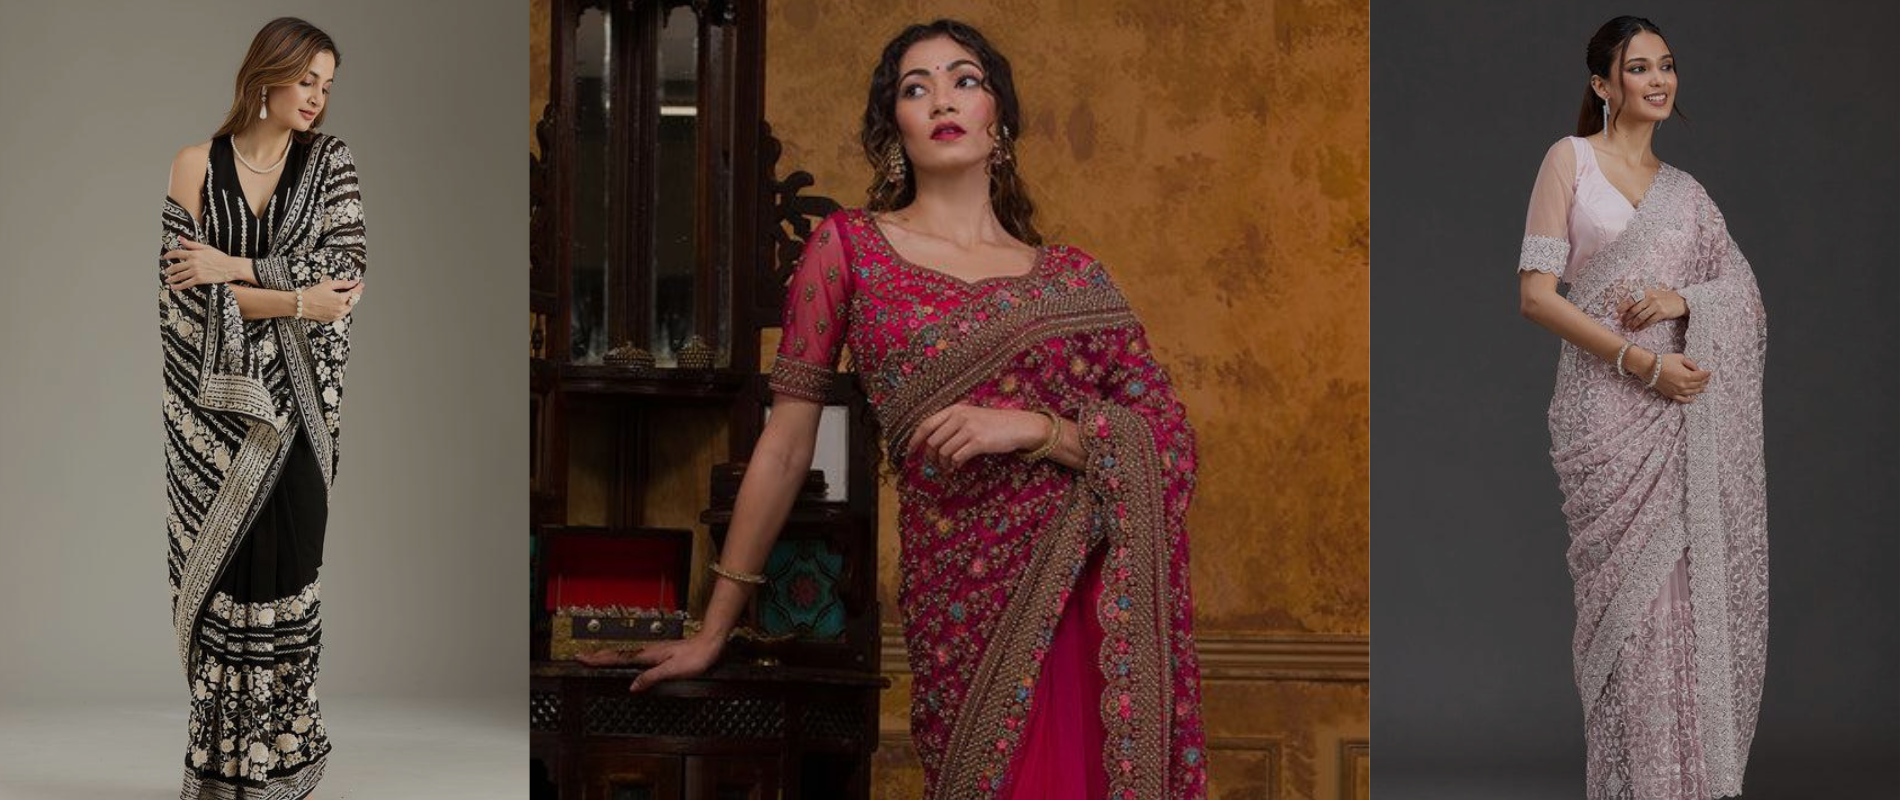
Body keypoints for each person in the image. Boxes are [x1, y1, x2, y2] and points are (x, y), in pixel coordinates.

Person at [580, 18, 1210, 799]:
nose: (942, 99)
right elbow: (786, 446)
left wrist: (1034, 430)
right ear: (895, 130)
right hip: (960, 605)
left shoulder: (1075, 281)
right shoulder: (849, 249)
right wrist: (715, 626)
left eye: (964, 80)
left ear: (999, 117)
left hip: (1084, 595)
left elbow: (1170, 443)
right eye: (917, 88)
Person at [1515, 15, 1767, 799]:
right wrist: (1639, 361)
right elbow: (1536, 296)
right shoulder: (1570, 160)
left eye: (1667, 66)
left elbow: (1744, 298)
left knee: (1682, 611)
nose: (1658, 80)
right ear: (1603, 84)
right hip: (1606, 411)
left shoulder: (1689, 197)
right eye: (1639, 68)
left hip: (1679, 417)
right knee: (1628, 618)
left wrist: (1684, 299)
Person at [160, 16, 365, 799]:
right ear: (266, 74)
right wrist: (295, 299)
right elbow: (183, 299)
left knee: (291, 575)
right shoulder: (193, 166)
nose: (316, 98)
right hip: (220, 427)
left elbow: (343, 276)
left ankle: (284, 769)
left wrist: (233, 267)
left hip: (302, 419)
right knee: (231, 589)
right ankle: (220, 776)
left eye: (326, 85)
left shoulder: (331, 163)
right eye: (306, 79)